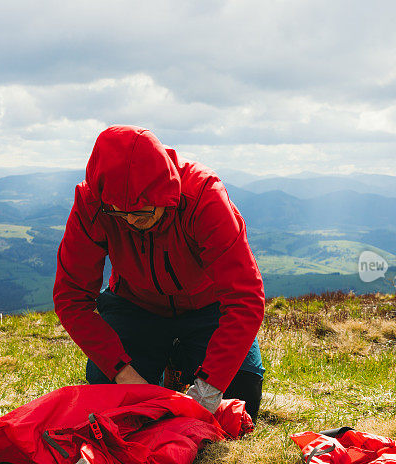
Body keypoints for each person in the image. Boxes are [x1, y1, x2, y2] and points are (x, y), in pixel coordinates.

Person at [52, 125, 265, 419]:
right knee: (110, 394)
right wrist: (122, 372)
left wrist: (209, 387)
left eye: (142, 212)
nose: (130, 221)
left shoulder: (204, 197)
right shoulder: (94, 203)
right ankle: (167, 373)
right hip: (135, 306)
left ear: (164, 192)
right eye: (119, 212)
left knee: (242, 396)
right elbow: (71, 297)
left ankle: (174, 369)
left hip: (207, 307)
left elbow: (245, 297)